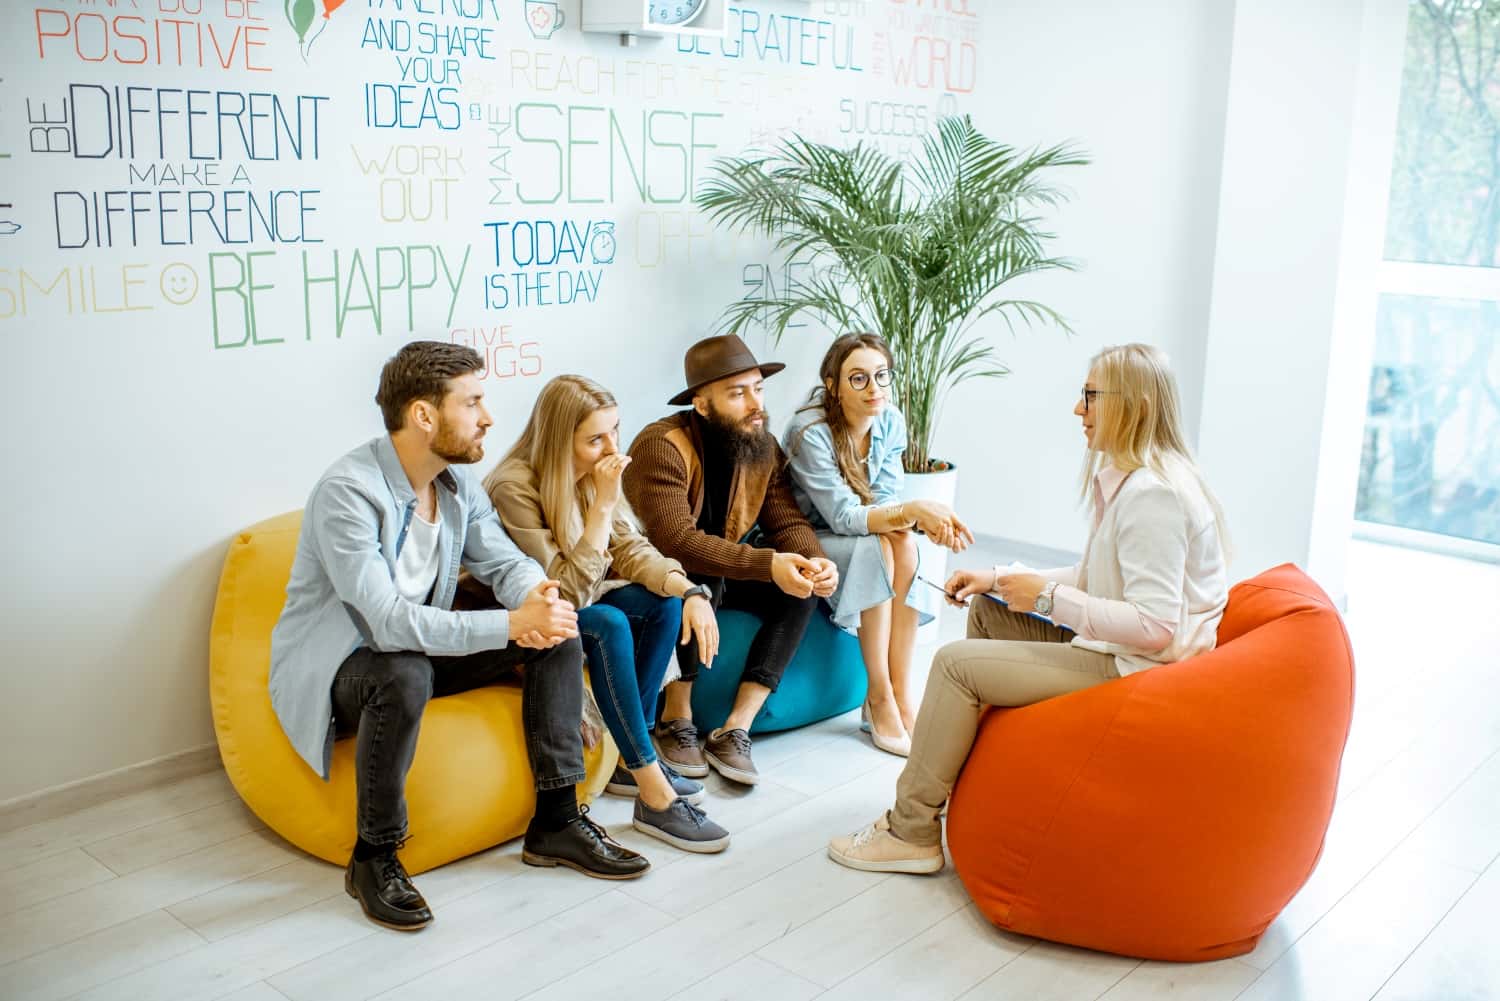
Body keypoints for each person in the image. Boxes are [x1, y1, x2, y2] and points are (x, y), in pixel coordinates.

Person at [269, 342, 648, 933]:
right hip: (342, 667)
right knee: (403, 671)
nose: (488, 418)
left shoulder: (455, 484)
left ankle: (557, 821)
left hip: (421, 648)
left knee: (558, 630)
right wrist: (511, 623)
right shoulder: (348, 492)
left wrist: (539, 598)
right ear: (424, 415)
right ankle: (373, 856)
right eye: (472, 403)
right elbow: (386, 623)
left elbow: (503, 561)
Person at [828, 342, 1230, 873]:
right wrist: (1000, 579)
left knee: (953, 665)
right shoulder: (1138, 480)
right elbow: (1096, 578)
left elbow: (1153, 626)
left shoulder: (1154, 496)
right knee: (988, 610)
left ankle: (912, 830)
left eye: (1091, 396)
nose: (1078, 409)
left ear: (1132, 405)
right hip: (1123, 651)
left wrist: (1044, 597)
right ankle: (982, 785)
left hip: (1137, 670)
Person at [484, 374, 732, 854]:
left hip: (576, 604)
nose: (612, 449)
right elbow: (565, 594)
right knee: (609, 622)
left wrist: (690, 591)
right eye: (595, 439)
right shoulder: (514, 487)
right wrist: (601, 505)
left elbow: (632, 550)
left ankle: (629, 758)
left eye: (614, 430)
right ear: (559, 441)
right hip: (529, 621)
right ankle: (653, 792)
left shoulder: (594, 473)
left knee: (663, 605)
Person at [623, 333, 839, 786]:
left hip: (718, 573)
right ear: (702, 405)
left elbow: (786, 521)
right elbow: (676, 541)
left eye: (758, 388)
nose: (755, 404)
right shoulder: (662, 445)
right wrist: (766, 564)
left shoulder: (761, 445)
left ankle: (736, 728)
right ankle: (675, 717)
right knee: (702, 571)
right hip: (660, 578)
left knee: (797, 587)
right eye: (738, 393)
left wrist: (815, 561)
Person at [783, 333, 973, 756]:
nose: (874, 389)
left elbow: (885, 499)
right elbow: (842, 517)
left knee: (903, 544)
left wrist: (915, 518)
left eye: (881, 375)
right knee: (880, 546)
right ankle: (879, 694)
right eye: (859, 378)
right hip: (810, 537)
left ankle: (901, 692)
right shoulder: (809, 431)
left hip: (864, 532)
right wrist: (915, 510)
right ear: (833, 385)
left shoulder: (889, 420)